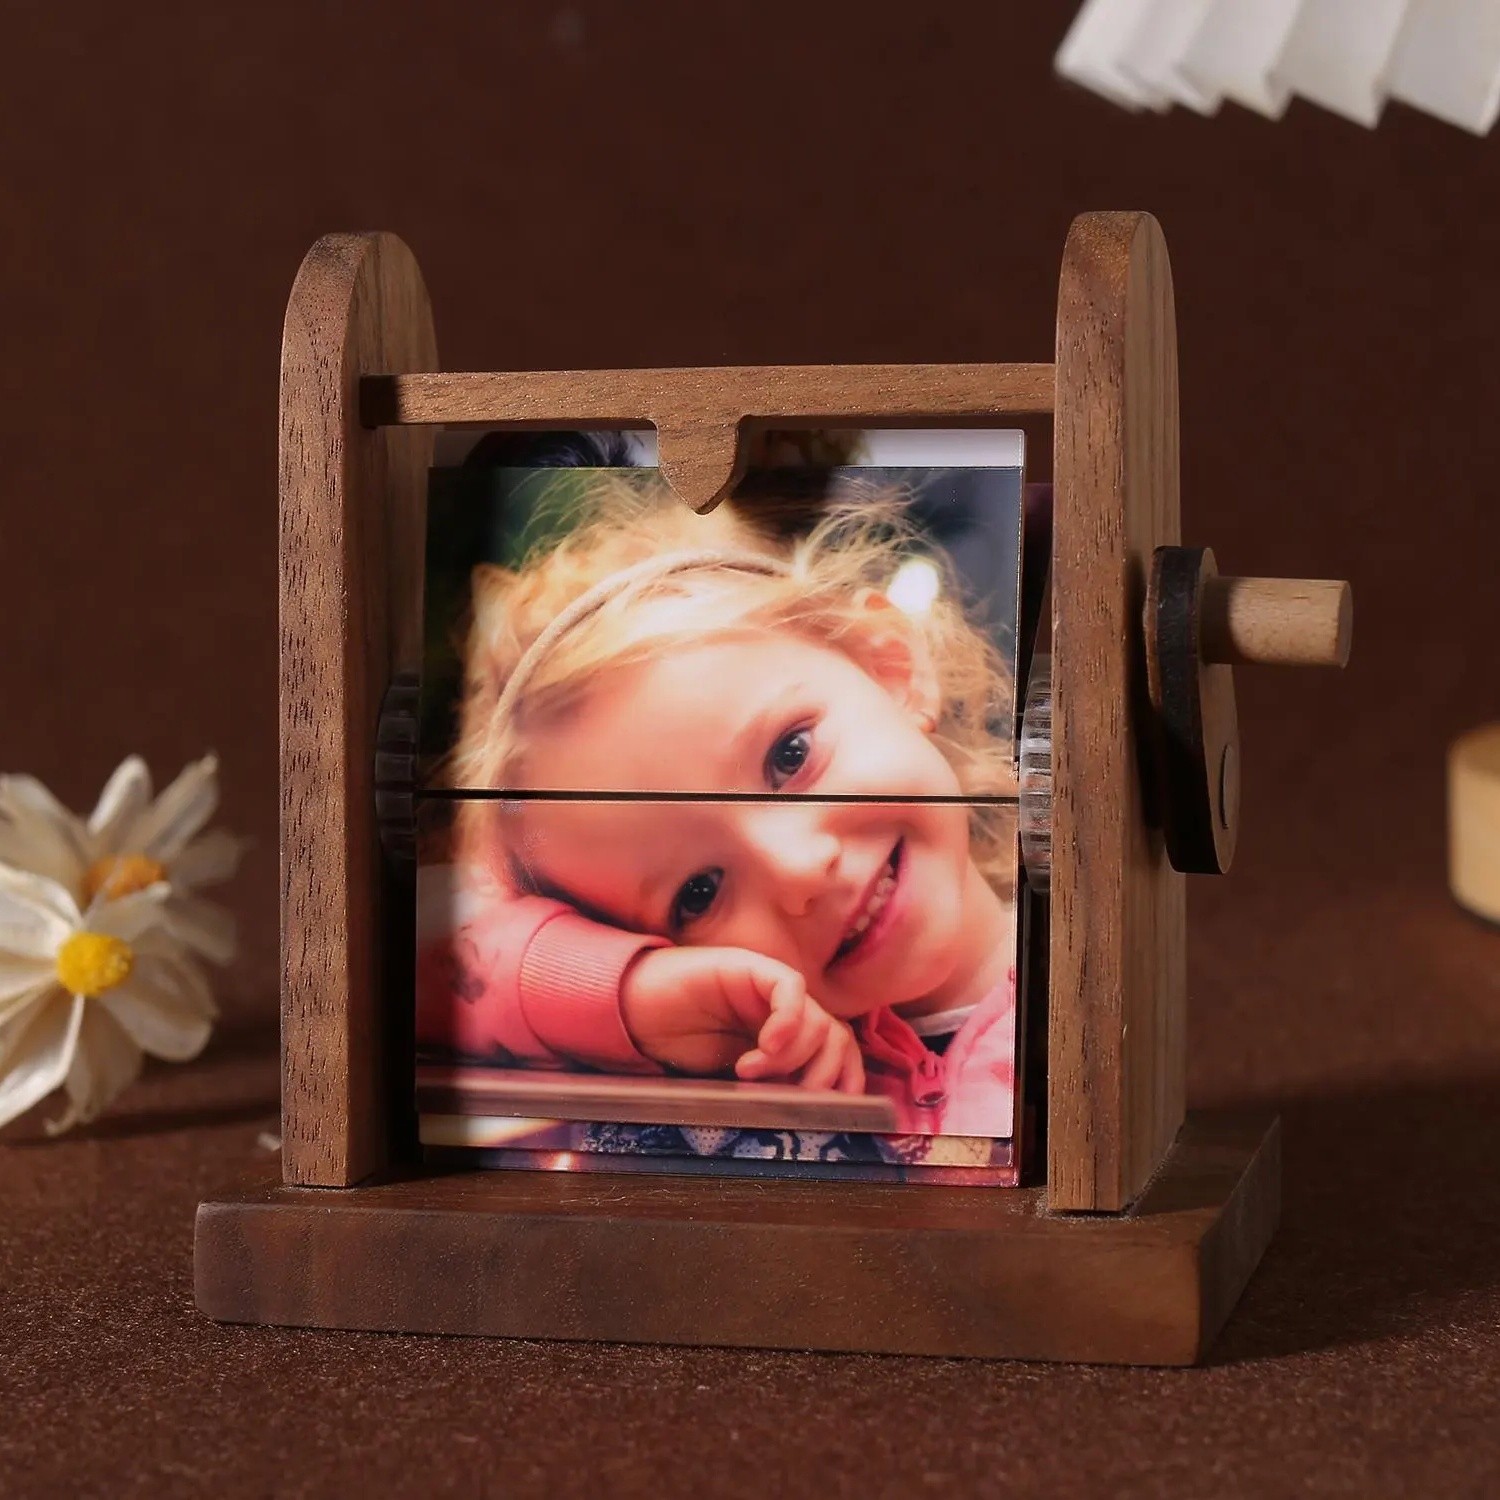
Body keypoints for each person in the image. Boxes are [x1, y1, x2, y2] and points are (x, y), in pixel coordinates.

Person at [416, 473, 1018, 1147]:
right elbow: (408, 949)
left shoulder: (1095, 985)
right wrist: (634, 993)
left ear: (889, 667)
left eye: (790, 756)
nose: (797, 870)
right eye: (698, 893)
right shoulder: (736, 1066)